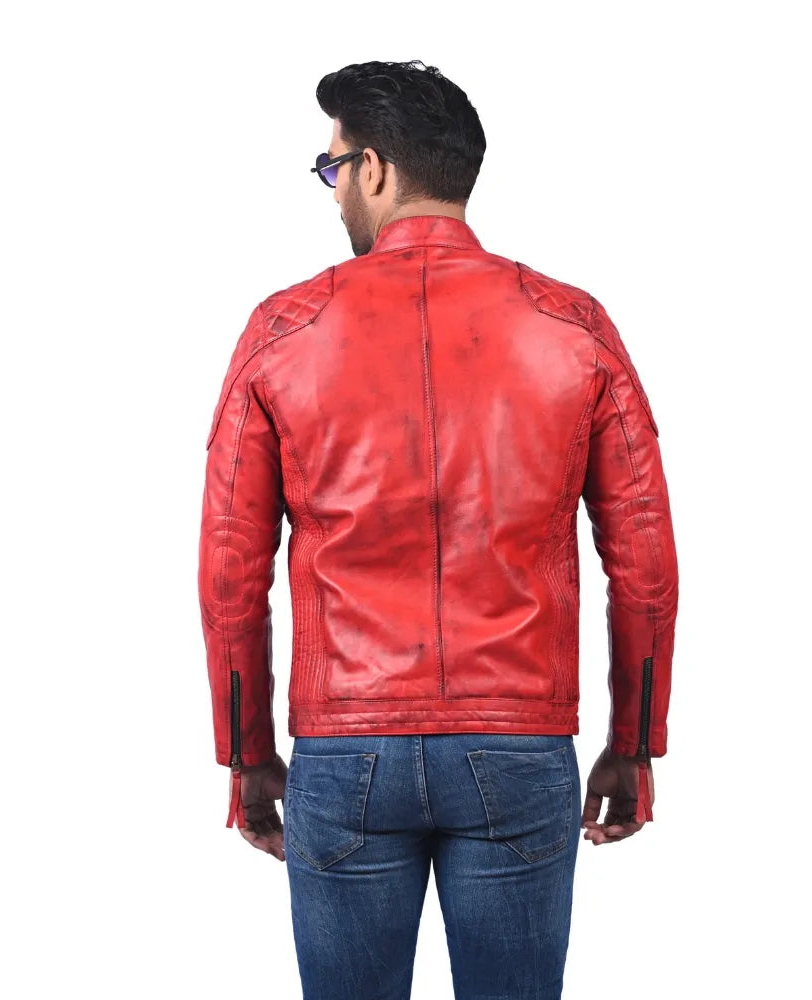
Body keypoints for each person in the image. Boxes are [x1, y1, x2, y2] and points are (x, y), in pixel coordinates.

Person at [197, 58, 679, 1000]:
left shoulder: (284, 329)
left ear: (375, 169)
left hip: (346, 747)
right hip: (519, 742)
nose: (334, 190)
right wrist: (634, 740)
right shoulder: (572, 324)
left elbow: (229, 573)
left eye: (333, 168)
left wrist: (247, 751)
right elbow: (645, 562)